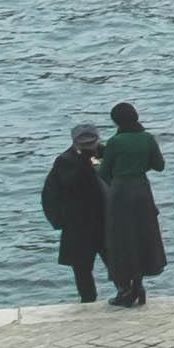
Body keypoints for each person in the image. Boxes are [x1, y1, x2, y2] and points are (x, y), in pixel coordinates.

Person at [97, 102, 169, 307]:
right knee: (142, 236)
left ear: (115, 121)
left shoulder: (115, 142)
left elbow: (104, 173)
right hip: (142, 191)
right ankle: (139, 286)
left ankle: (127, 290)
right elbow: (159, 166)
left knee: (122, 241)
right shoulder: (147, 138)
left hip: (120, 194)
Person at [39, 125, 112, 304]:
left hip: (103, 220)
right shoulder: (66, 161)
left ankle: (125, 291)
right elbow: (52, 194)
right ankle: (89, 300)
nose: (89, 149)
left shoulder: (106, 154)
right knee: (83, 269)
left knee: (116, 263)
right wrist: (59, 220)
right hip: (80, 223)